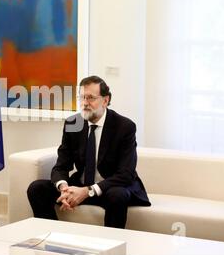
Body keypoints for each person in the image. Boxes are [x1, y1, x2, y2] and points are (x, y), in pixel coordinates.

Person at [27, 76, 151, 228]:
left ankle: (109, 247)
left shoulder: (124, 126)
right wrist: (64, 188)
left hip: (109, 188)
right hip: (80, 185)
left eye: (91, 98)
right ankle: (52, 237)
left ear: (105, 100)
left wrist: (87, 191)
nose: (85, 103)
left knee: (117, 195)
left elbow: (125, 174)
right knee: (37, 188)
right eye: (82, 97)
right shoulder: (73, 123)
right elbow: (61, 166)